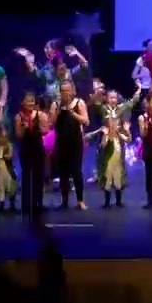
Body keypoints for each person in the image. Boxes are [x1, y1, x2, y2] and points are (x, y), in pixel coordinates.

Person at [50, 81, 90, 210]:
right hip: (61, 142)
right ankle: (64, 200)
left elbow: (86, 121)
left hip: (75, 142)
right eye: (63, 91)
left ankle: (80, 200)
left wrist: (72, 112)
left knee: (76, 171)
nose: (65, 93)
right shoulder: (56, 104)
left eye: (67, 90)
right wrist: (59, 109)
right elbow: (51, 123)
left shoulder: (79, 103)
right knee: (63, 173)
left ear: (72, 91)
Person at [13, 92, 50, 216]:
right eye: (28, 101)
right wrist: (24, 127)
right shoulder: (18, 117)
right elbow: (18, 135)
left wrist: (39, 126)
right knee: (27, 176)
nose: (30, 103)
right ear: (22, 103)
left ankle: (38, 202)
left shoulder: (40, 115)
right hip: (25, 149)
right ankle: (26, 203)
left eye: (32, 101)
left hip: (37, 148)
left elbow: (46, 131)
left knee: (38, 176)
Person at [92, 115, 131, 208]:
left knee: (118, 182)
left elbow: (129, 139)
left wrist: (127, 130)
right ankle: (107, 202)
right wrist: (105, 135)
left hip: (117, 164)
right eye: (113, 125)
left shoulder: (119, 136)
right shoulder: (107, 136)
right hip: (108, 163)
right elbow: (103, 145)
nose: (115, 127)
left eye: (117, 125)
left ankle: (118, 201)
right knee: (107, 182)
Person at [0, 125, 17, 211]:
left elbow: (10, 155)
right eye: (1, 137)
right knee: (0, 187)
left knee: (10, 186)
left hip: (7, 169)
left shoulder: (9, 145)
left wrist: (7, 156)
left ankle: (12, 203)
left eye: (5, 137)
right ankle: (1, 204)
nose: (3, 139)